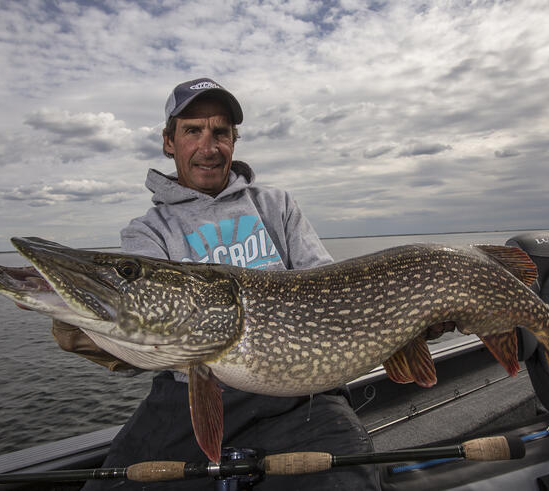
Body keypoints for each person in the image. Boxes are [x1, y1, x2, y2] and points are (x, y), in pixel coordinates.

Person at [54, 78, 383, 490]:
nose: (208, 147)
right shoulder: (149, 232)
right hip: (188, 395)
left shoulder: (275, 205)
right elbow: (147, 330)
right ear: (168, 142)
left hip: (301, 398)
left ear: (233, 140)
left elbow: (334, 293)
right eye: (192, 130)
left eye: (220, 132)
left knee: (350, 483)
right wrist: (92, 334)